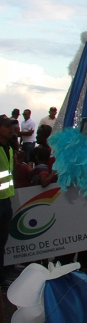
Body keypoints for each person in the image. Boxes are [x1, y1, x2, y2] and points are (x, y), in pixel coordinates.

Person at [0, 115, 15, 287]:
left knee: (2, 241)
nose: (11, 129)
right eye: (7, 126)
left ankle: (1, 276)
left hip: (6, 200)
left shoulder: (9, 149)